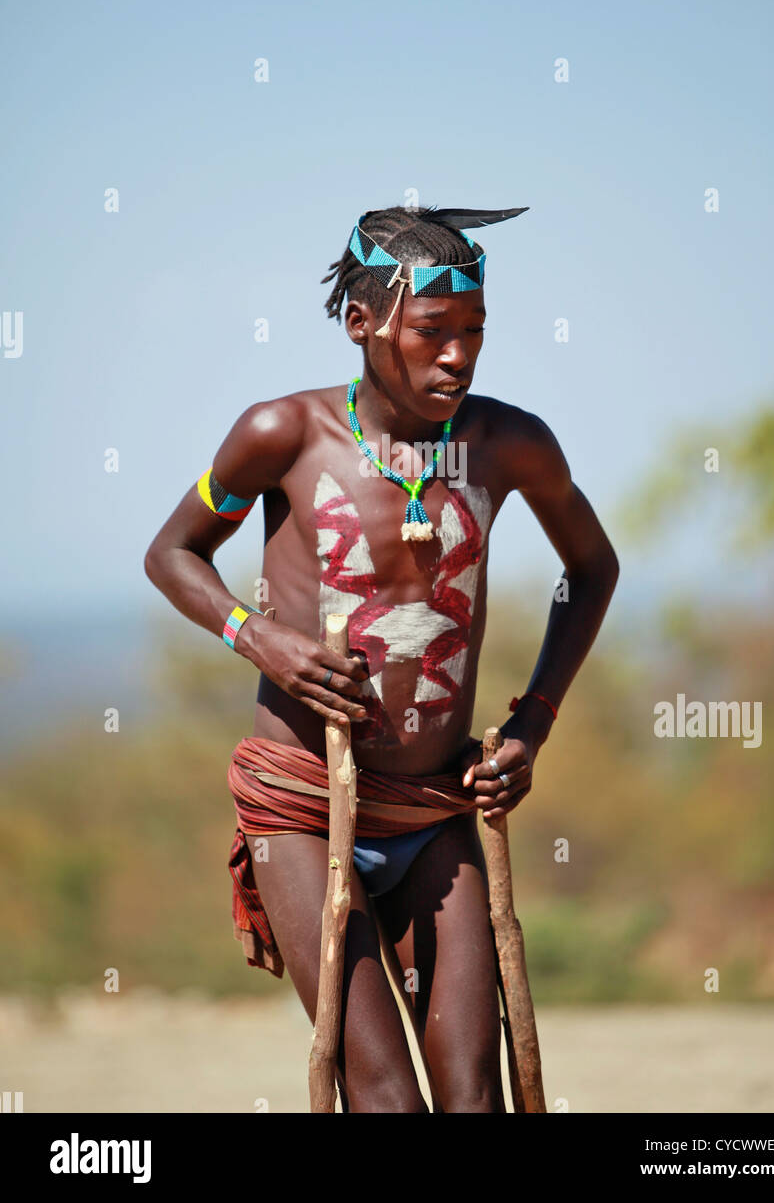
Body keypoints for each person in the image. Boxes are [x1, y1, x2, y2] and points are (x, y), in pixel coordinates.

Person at [143, 203, 619, 1113]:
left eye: (474, 331)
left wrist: (533, 722)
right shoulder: (281, 434)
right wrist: (259, 636)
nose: (459, 355)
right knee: (385, 1099)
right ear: (361, 323)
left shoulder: (508, 443)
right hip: (302, 805)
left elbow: (591, 569)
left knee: (475, 1094)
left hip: (435, 806)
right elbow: (172, 553)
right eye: (433, 332)